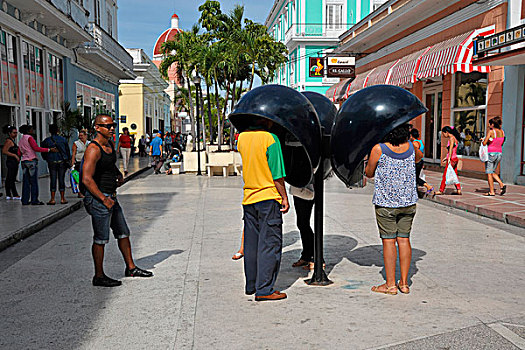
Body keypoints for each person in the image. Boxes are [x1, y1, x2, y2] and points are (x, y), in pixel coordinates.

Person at [82, 114, 153, 287]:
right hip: (99, 199)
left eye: (113, 125)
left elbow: (109, 164)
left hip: (111, 197)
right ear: (97, 128)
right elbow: (86, 178)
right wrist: (103, 199)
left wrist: (117, 174)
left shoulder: (109, 145)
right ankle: (98, 276)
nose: (112, 128)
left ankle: (131, 268)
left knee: (123, 233)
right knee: (100, 239)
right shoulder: (93, 148)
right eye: (107, 126)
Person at [365, 123, 423, 295]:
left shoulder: (379, 149)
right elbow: (419, 158)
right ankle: (404, 284)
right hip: (408, 203)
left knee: (389, 241)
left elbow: (369, 173)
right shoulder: (412, 147)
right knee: (404, 239)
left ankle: (390, 285)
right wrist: (413, 143)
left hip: (386, 204)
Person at [237, 117, 289, 301]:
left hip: (249, 198)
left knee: (252, 244)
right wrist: (284, 196)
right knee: (269, 244)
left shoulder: (242, 138)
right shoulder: (270, 139)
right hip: (268, 198)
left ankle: (251, 284)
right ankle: (265, 289)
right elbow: (277, 175)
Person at [18, 124, 57, 205]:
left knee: (26, 182)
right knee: (33, 182)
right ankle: (34, 200)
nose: (33, 130)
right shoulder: (30, 138)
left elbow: (19, 152)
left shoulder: (21, 139)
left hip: (24, 161)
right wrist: (49, 149)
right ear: (28, 131)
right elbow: (36, 148)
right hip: (31, 161)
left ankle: (25, 200)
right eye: (32, 129)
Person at [42, 124, 71, 205]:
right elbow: (67, 151)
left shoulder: (46, 141)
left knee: (53, 179)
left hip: (51, 161)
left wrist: (47, 158)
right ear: (58, 130)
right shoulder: (63, 139)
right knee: (61, 179)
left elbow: (43, 151)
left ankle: (52, 199)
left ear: (50, 131)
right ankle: (62, 198)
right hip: (62, 162)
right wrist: (68, 160)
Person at [434, 126, 462, 196]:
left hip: (452, 158)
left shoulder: (451, 138)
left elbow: (451, 148)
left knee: (445, 175)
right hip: (455, 158)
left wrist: (448, 158)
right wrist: (446, 157)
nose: (443, 135)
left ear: (447, 132)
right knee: (454, 174)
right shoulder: (455, 138)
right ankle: (458, 189)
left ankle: (441, 190)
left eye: (443, 133)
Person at [482, 116, 506, 196]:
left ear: (493, 124)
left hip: (491, 153)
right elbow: (501, 143)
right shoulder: (502, 132)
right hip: (499, 153)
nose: (489, 125)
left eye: (489, 123)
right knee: (492, 171)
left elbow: (484, 143)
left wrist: (483, 140)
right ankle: (501, 184)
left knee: (489, 173)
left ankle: (491, 192)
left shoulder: (491, 132)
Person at [410, 128, 434, 196]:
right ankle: (415, 190)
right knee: (415, 176)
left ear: (411, 136)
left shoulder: (415, 143)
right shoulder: (421, 141)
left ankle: (428, 186)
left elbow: (415, 153)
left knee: (415, 177)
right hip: (421, 160)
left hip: (416, 161)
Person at [2, 125, 21, 200]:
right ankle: (11, 194)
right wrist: (14, 156)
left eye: (16, 133)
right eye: (14, 133)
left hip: (14, 162)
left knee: (11, 178)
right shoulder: (9, 141)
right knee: (10, 177)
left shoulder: (13, 141)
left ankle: (10, 194)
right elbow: (4, 151)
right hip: (11, 162)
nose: (15, 134)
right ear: (9, 133)